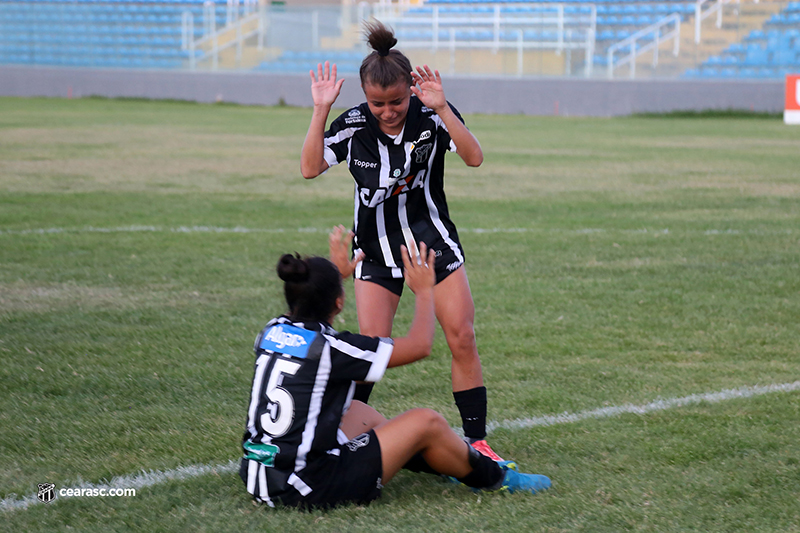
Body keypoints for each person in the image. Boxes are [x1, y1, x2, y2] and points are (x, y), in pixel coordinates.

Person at [300, 20, 504, 461]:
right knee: (368, 354)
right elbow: (310, 167)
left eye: (396, 101)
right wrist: (319, 110)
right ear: (364, 97)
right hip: (375, 254)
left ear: (411, 91)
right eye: (378, 103)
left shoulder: (431, 116)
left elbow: (474, 157)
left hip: (433, 247)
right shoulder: (353, 125)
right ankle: (337, 438)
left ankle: (477, 443)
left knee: (462, 337)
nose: (388, 111)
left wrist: (444, 106)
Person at [239, 236, 551, 509]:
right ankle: (496, 477)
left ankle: (452, 463)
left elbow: (317, 307)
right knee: (425, 421)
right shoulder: (332, 348)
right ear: (338, 302)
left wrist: (337, 278)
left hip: (260, 476)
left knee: (360, 412)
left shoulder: (271, 331)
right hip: (309, 487)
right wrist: (425, 291)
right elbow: (419, 346)